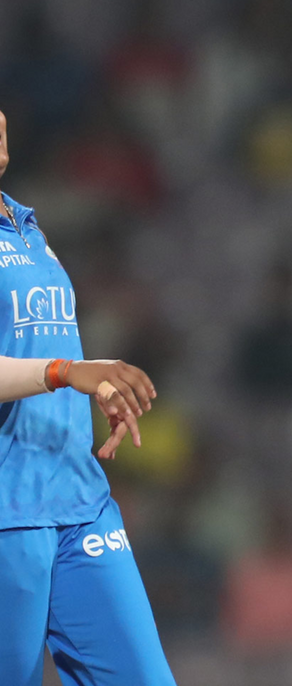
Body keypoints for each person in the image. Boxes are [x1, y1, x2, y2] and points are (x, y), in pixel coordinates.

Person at [0, 107, 175, 685]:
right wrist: (66, 372)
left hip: (80, 503)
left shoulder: (26, 227)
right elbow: (53, 366)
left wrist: (91, 384)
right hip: (7, 514)